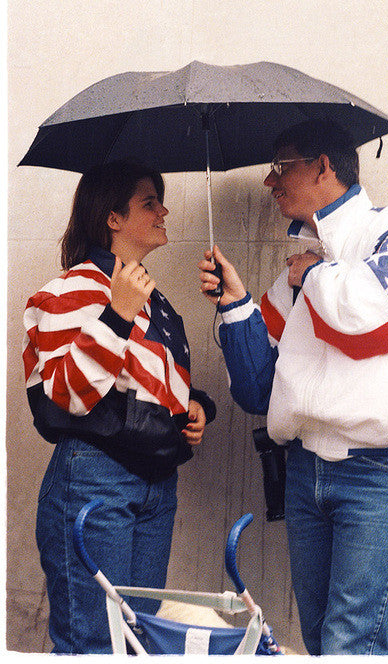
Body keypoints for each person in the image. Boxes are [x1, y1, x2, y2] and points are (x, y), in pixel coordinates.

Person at [198, 118, 388, 656]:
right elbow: (256, 389)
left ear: (324, 166)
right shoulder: (299, 266)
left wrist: (310, 277)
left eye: (281, 167)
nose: (270, 183)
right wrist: (235, 301)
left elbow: (370, 324)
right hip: (303, 470)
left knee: (350, 643)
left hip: (380, 471)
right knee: (320, 642)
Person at [23, 159, 216, 654]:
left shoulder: (147, 294)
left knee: (135, 642)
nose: (163, 210)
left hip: (154, 482)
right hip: (96, 479)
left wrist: (193, 407)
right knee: (94, 643)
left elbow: (139, 382)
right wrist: (118, 312)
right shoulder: (73, 288)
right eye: (149, 202)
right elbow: (66, 393)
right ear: (113, 217)